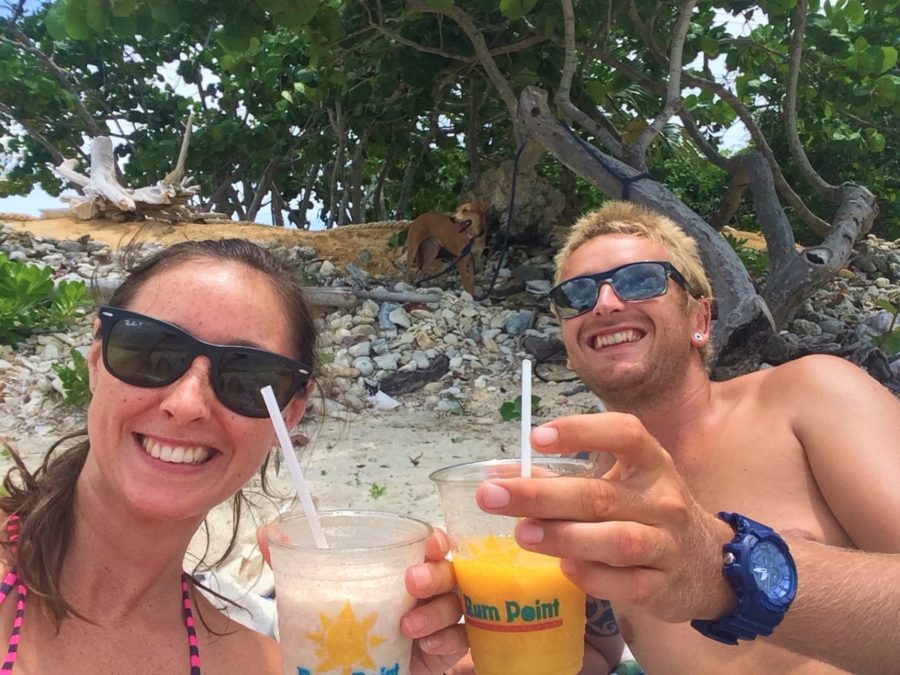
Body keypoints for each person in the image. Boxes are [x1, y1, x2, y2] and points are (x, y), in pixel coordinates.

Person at [0, 239, 467, 673]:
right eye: (151, 353)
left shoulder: (260, 664)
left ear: (291, 411)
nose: (185, 405)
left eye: (246, 377)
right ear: (98, 360)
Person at [473, 201, 900, 674]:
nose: (606, 303)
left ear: (700, 320)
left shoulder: (809, 397)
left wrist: (728, 568)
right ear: (571, 348)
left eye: (640, 280)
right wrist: (486, 641)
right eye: (576, 295)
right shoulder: (590, 482)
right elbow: (594, 653)